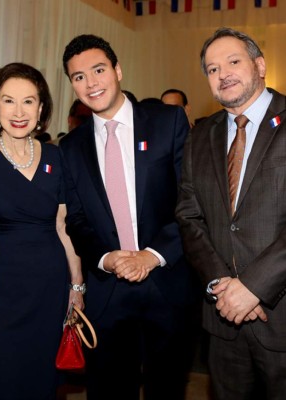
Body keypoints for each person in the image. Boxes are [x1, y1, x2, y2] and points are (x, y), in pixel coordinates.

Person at [175, 27, 286, 399]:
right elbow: (189, 218)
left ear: (260, 65)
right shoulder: (199, 137)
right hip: (225, 320)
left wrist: (253, 287)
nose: (223, 74)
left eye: (233, 61)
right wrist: (222, 286)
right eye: (211, 69)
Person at [59, 34, 196, 400]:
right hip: (108, 290)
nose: (91, 83)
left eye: (99, 70)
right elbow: (77, 219)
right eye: (79, 77)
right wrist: (106, 258)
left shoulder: (168, 122)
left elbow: (191, 200)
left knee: (166, 387)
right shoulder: (71, 147)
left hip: (167, 280)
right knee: (107, 390)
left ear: (117, 70)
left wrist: (151, 255)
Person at [0, 62, 83, 400]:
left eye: (28, 101)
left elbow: (64, 226)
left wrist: (76, 286)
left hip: (49, 286)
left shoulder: (56, 157)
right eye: (9, 101)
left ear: (41, 108)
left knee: (40, 377)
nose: (19, 111)